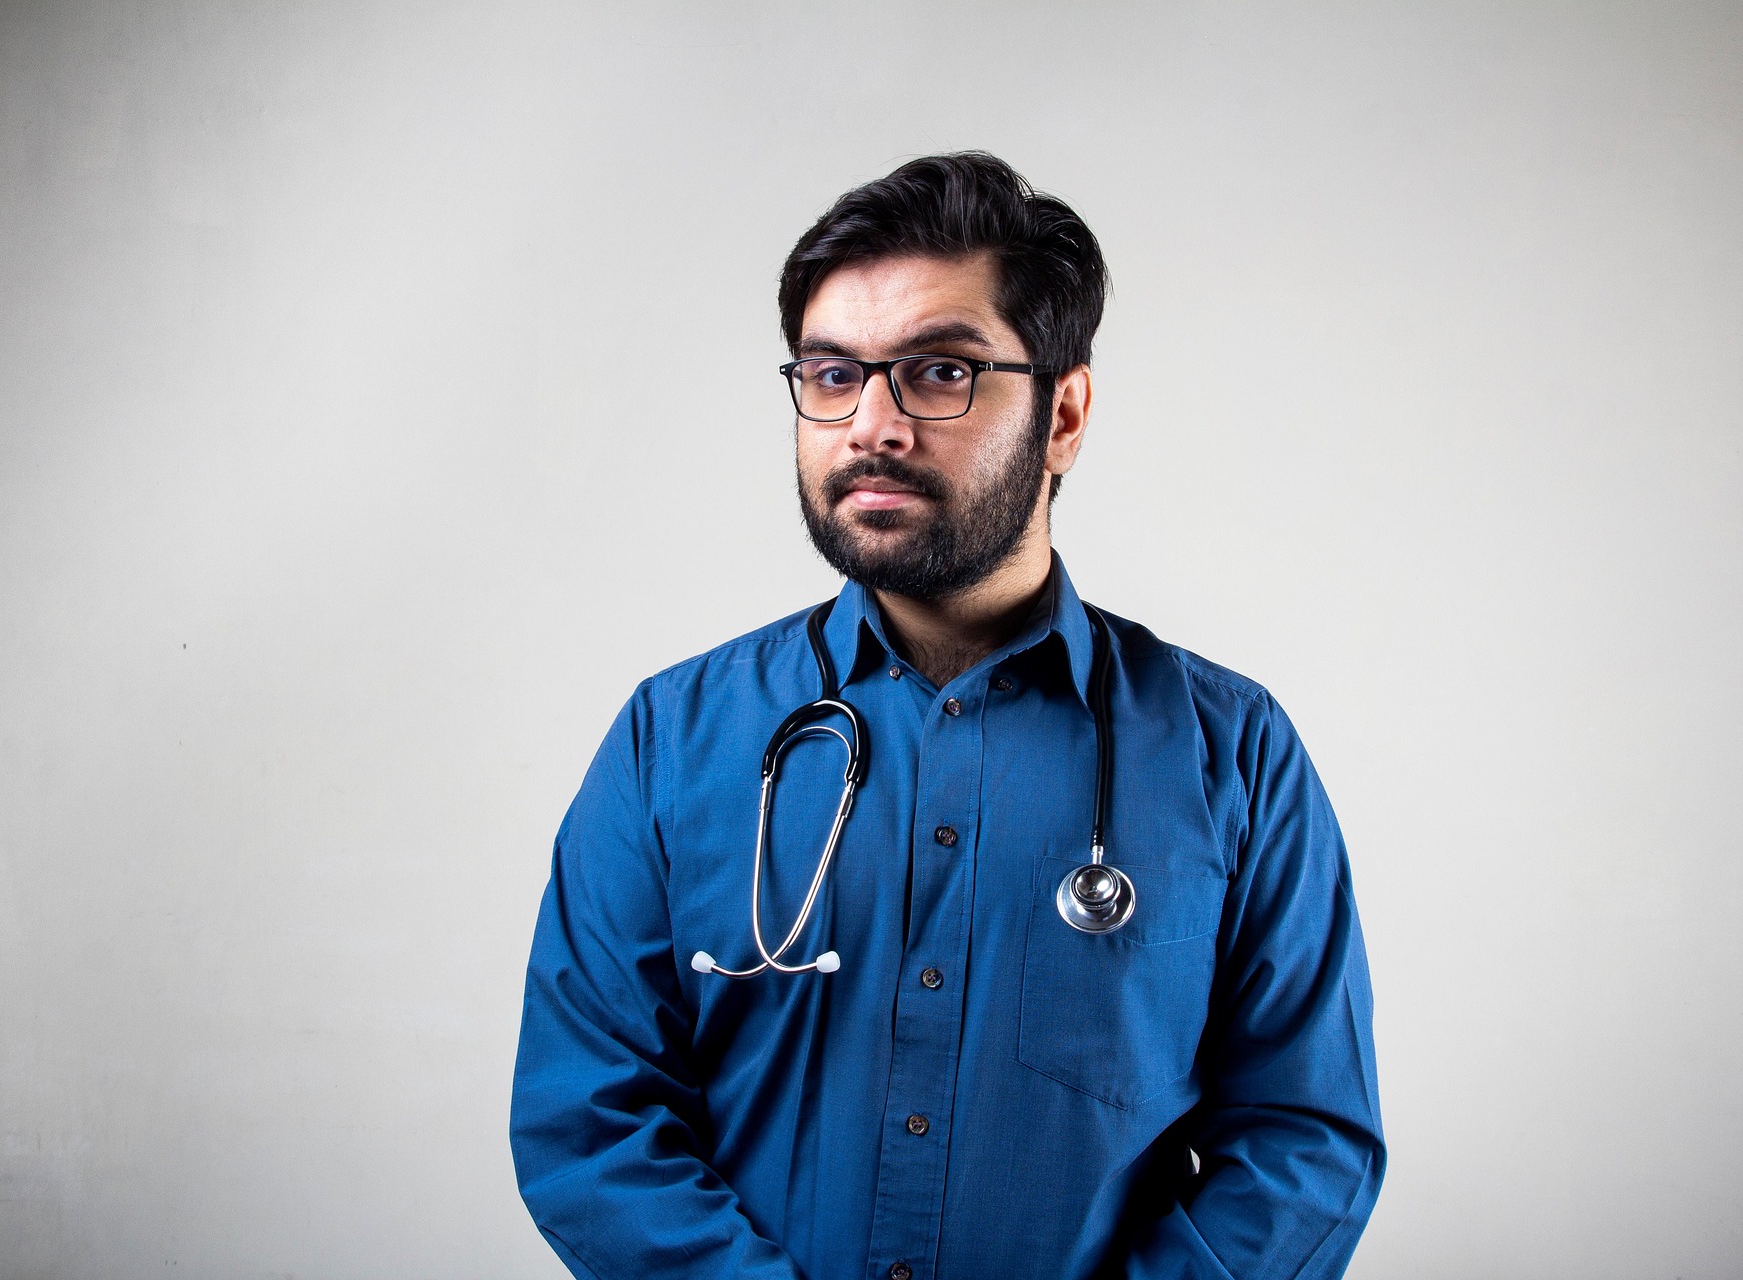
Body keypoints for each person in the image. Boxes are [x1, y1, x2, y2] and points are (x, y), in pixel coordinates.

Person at [510, 152, 1384, 1280]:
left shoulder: (1231, 753)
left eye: (938, 371)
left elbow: (1306, 1140)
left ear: (1063, 413)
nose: (871, 423)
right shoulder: (671, 742)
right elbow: (592, 1124)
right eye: (832, 375)